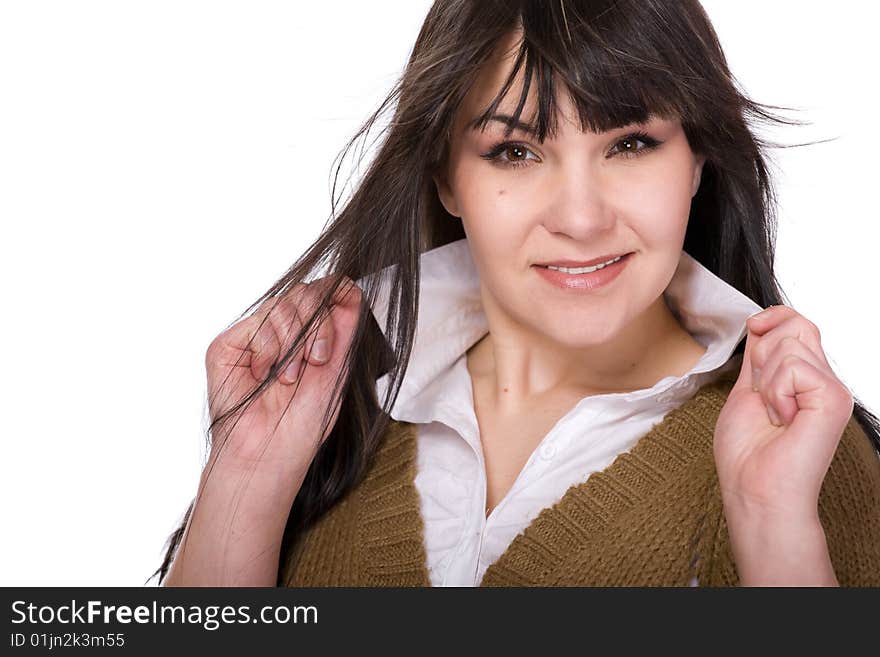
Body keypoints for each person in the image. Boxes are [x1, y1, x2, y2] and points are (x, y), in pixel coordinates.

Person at [153, 0, 880, 587]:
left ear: (697, 161)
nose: (581, 217)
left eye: (629, 143)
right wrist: (247, 470)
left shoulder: (795, 453)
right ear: (447, 177)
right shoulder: (333, 412)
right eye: (515, 151)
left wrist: (769, 520)